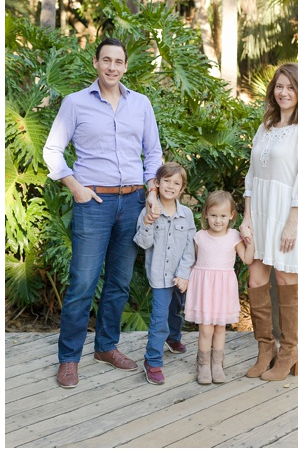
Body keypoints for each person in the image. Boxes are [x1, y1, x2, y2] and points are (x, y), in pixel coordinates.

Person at [43, 37, 163, 389]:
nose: (112, 67)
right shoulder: (75, 103)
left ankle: (106, 347)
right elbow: (53, 150)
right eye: (106, 60)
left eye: (118, 61)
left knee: (119, 282)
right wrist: (75, 187)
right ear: (95, 62)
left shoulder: (140, 104)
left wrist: (152, 191)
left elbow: (152, 153)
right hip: (93, 204)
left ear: (126, 66)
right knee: (82, 283)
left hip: (132, 203)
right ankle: (69, 358)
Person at [240, 63, 298, 382]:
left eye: (290, 87)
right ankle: (265, 350)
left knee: (287, 283)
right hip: (259, 211)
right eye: (279, 86)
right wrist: (246, 218)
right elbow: (252, 174)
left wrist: (292, 223)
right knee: (256, 279)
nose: (283, 92)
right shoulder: (267, 124)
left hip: (289, 213)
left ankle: (289, 353)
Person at [133, 162, 196, 385]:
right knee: (159, 320)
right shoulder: (148, 210)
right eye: (166, 181)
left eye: (176, 183)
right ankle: (152, 361)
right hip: (160, 276)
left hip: (179, 276)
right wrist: (149, 223)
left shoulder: (186, 215)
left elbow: (190, 246)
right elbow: (142, 243)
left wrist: (185, 273)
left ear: (182, 188)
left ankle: (173, 338)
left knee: (175, 312)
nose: (171, 186)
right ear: (157, 184)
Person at [184, 190, 255, 384]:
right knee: (206, 329)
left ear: (231, 216)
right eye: (213, 215)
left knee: (220, 329)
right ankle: (203, 365)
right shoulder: (200, 236)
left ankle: (217, 364)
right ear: (205, 214)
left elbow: (248, 259)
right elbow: (195, 262)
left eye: (223, 216)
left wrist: (251, 240)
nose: (218, 220)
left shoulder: (234, 237)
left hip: (223, 288)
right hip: (205, 287)